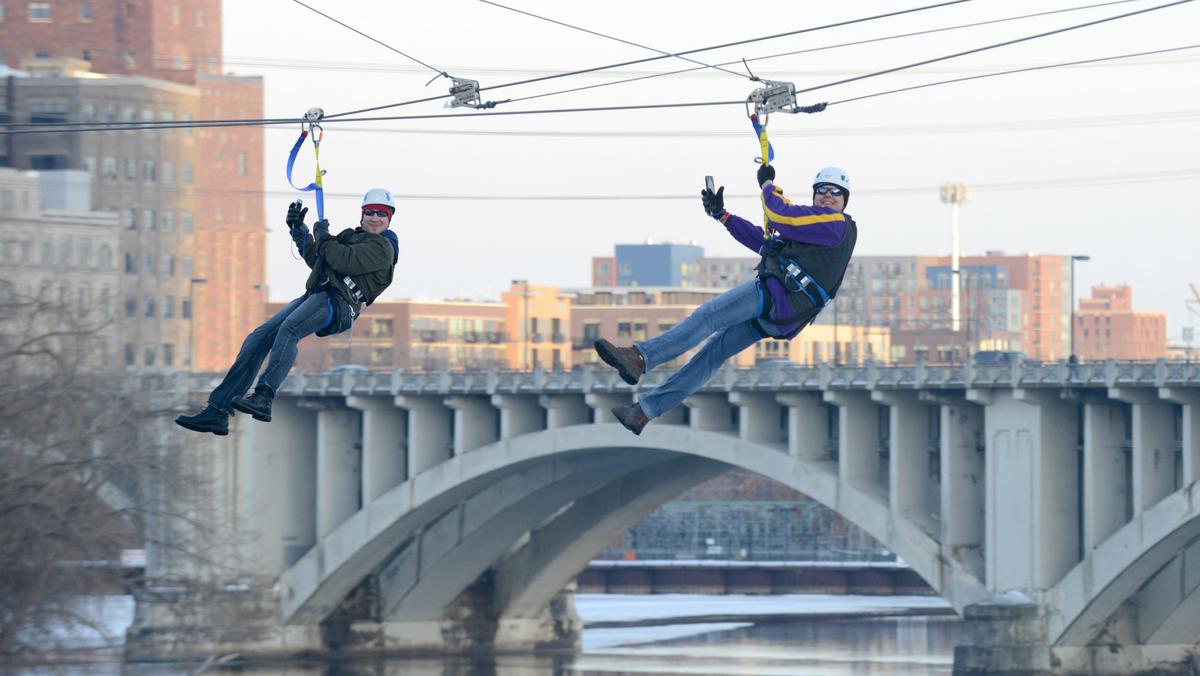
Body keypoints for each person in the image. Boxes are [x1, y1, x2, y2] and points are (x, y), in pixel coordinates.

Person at [594, 165, 857, 435]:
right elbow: (763, 243)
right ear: (815, 195)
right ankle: (644, 412)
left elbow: (779, 213)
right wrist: (723, 216)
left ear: (844, 199)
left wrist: (767, 184)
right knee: (713, 353)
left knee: (709, 315)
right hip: (784, 318)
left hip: (778, 298)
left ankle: (641, 357)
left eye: (836, 192)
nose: (828, 196)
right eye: (822, 191)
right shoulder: (813, 233)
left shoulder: (834, 224)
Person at [175, 189, 400, 435]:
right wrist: (299, 230)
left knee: (290, 329)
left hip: (339, 304)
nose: (375, 218)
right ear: (362, 215)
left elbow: (341, 259)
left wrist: (322, 234)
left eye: (381, 213)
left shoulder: (383, 247)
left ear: (389, 218)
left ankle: (264, 396)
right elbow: (319, 260)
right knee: (258, 339)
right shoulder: (351, 237)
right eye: (370, 212)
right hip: (319, 295)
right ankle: (217, 411)